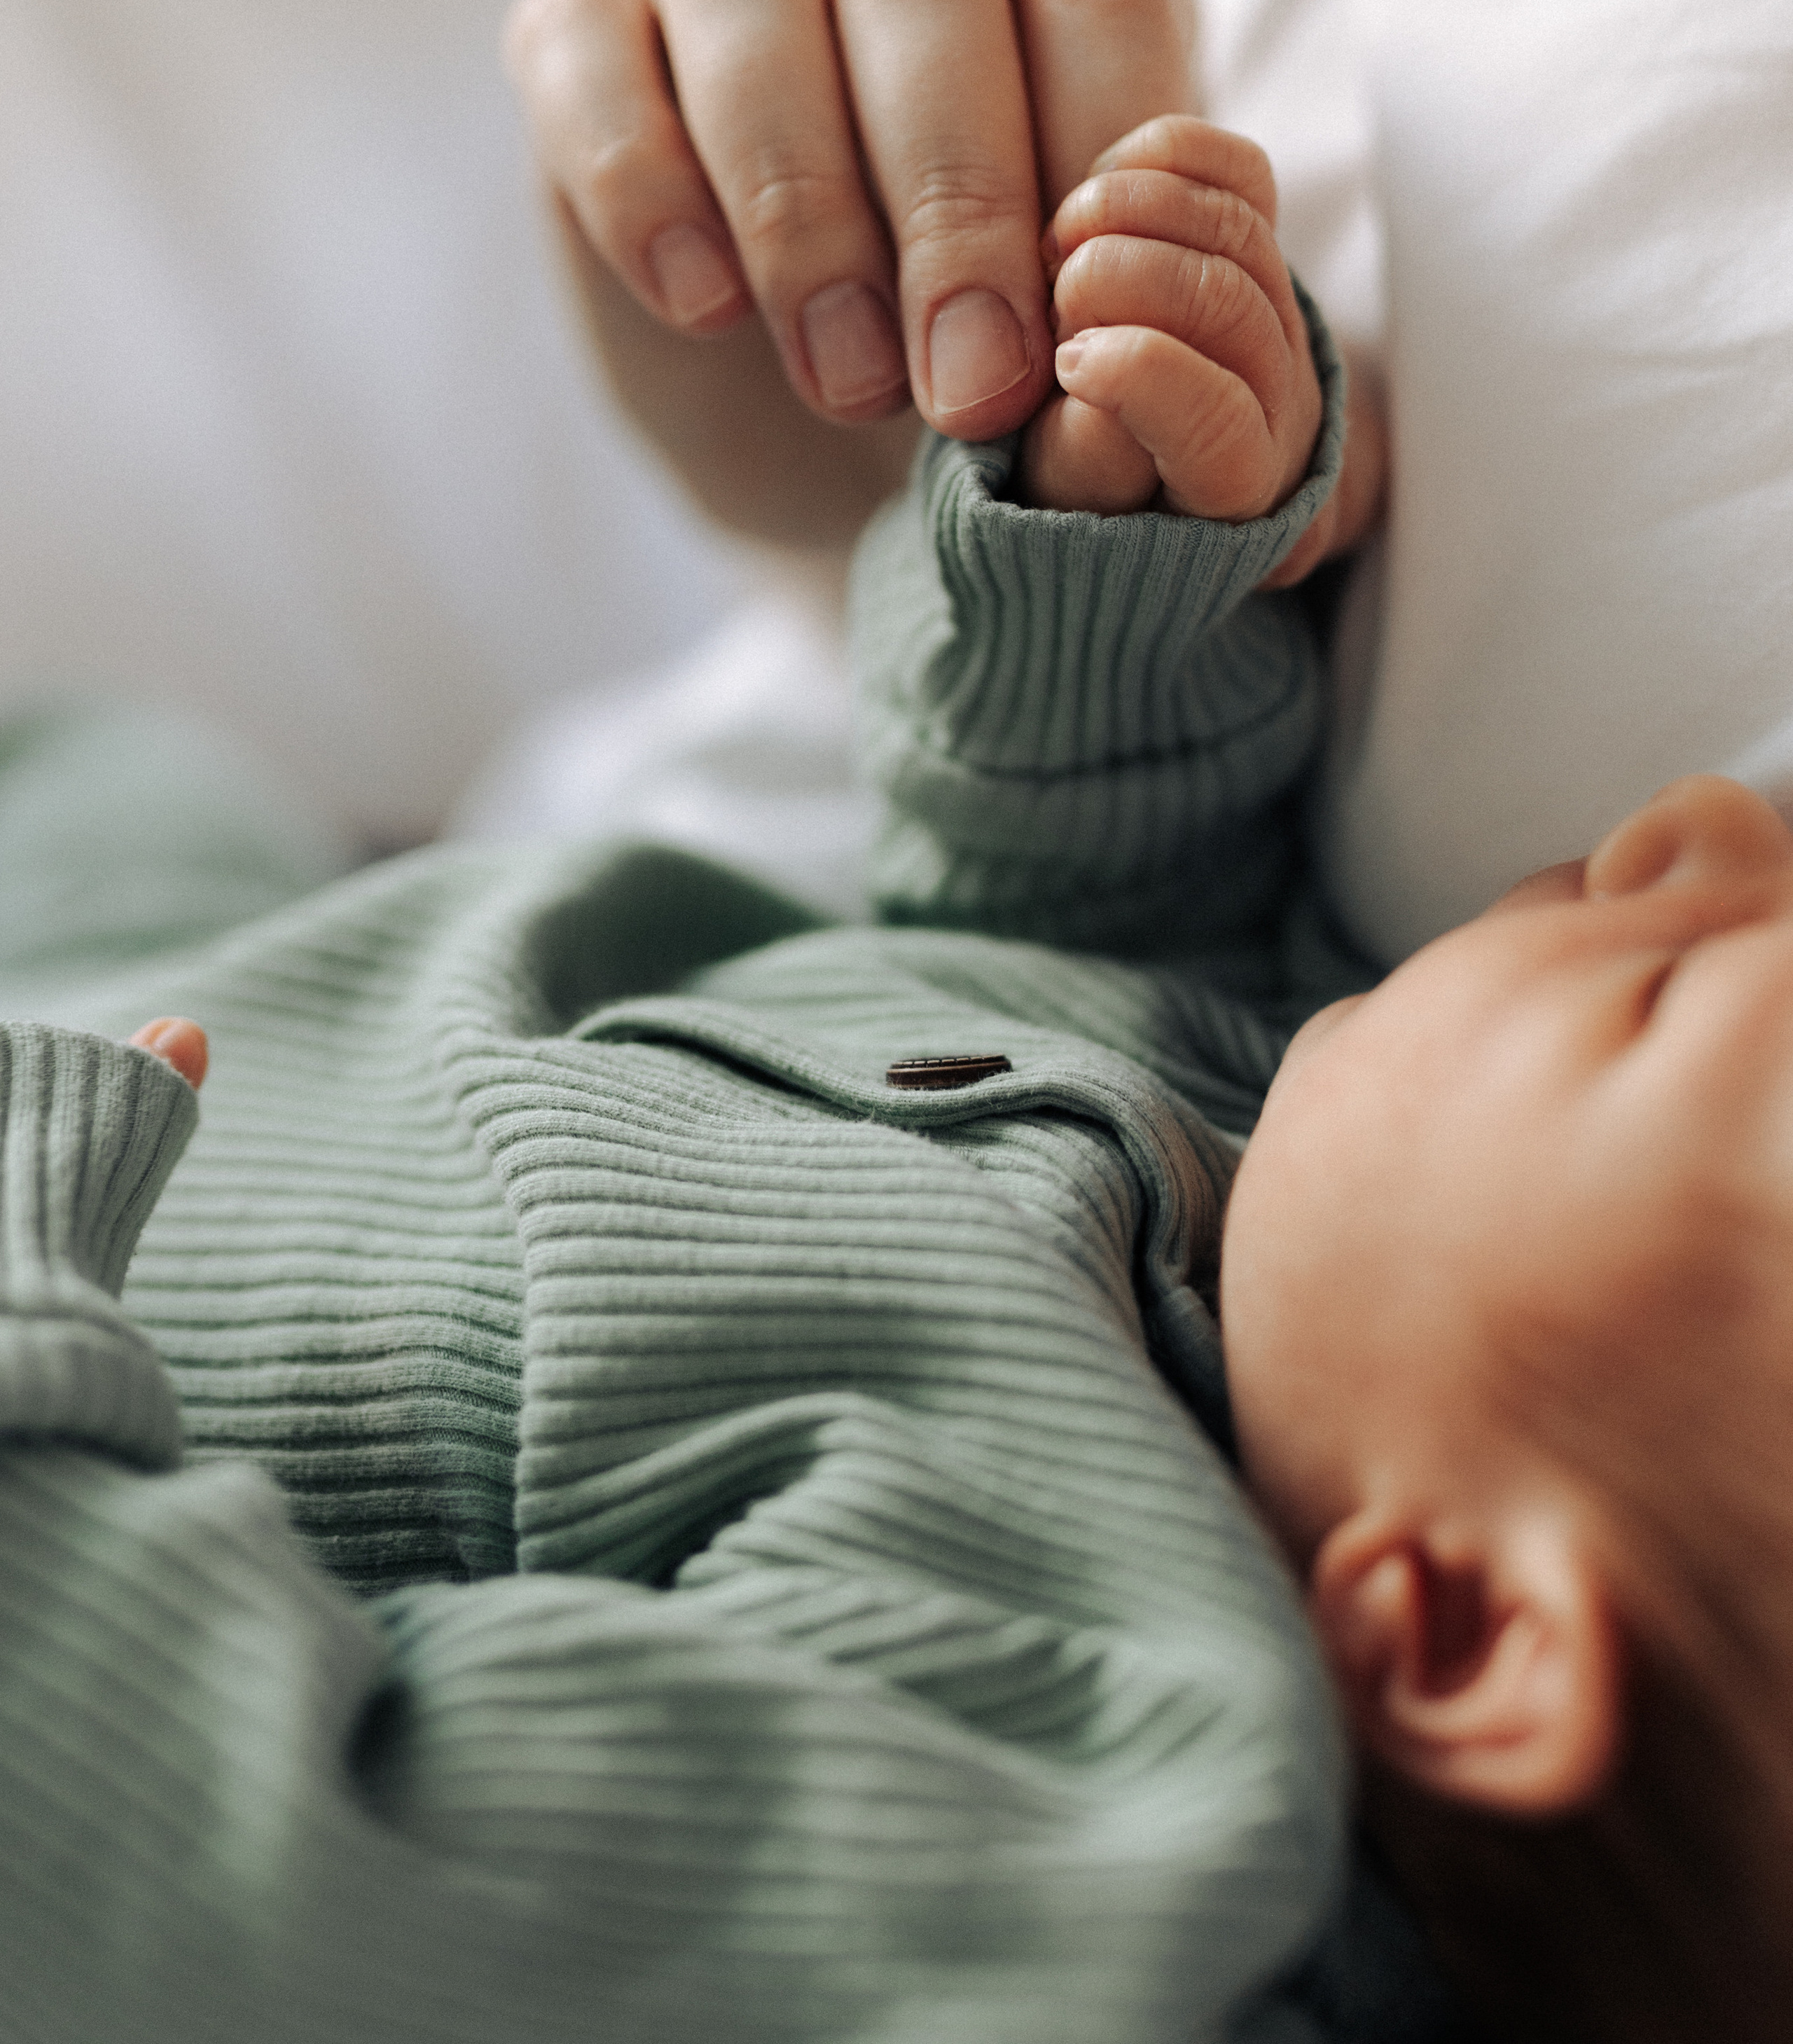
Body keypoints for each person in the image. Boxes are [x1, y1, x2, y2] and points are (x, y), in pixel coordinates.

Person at [3, 101, 1788, 2039]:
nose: (1701, 831)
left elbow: (238, 1863)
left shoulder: (1062, 1830)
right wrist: (1118, 569)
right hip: (229, 933)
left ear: (1454, 1629)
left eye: (1663, 999)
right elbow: (1080, 915)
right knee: (135, 783)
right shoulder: (1286, 1209)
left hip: (86, 1262)